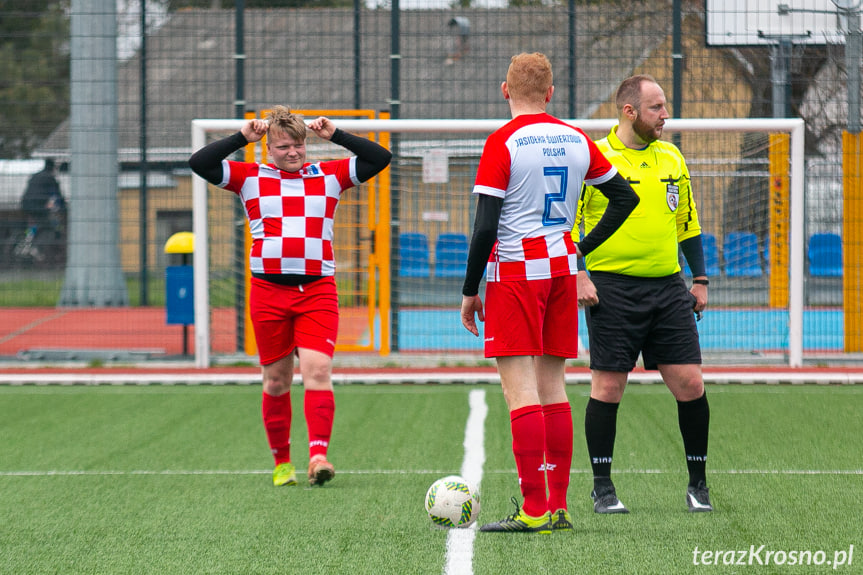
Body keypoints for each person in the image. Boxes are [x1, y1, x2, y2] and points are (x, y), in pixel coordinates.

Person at [460, 53, 640, 533]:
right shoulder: (577, 138)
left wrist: (468, 290)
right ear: (551, 93)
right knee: (554, 388)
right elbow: (626, 197)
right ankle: (557, 506)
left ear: (505, 90)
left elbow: (484, 228)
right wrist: (581, 246)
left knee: (520, 393)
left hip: (516, 272)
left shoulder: (503, 141)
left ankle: (535, 509)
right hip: (561, 269)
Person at [189, 106, 391, 487]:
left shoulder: (330, 175)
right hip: (268, 292)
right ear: (268, 148)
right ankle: (283, 462)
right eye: (283, 147)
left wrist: (337, 136)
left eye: (298, 145)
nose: (293, 152)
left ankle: (318, 456)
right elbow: (199, 162)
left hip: (317, 291)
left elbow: (380, 157)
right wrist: (240, 138)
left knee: (317, 370)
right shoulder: (248, 177)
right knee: (277, 381)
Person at [575, 74, 713, 514]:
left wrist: (700, 279)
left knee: (690, 383)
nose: (665, 115)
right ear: (629, 111)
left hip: (668, 286)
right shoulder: (595, 157)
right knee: (610, 386)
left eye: (664, 106)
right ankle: (602, 487)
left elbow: (686, 223)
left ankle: (698, 484)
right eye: (656, 108)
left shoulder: (672, 157)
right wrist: (579, 273)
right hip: (610, 287)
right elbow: (572, 223)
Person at [19, 158, 66, 261]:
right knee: (51, 224)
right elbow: (57, 195)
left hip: (26, 204)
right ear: (53, 167)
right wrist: (63, 208)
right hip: (39, 206)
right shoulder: (50, 178)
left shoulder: (35, 176)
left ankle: (28, 241)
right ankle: (35, 246)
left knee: (34, 224)